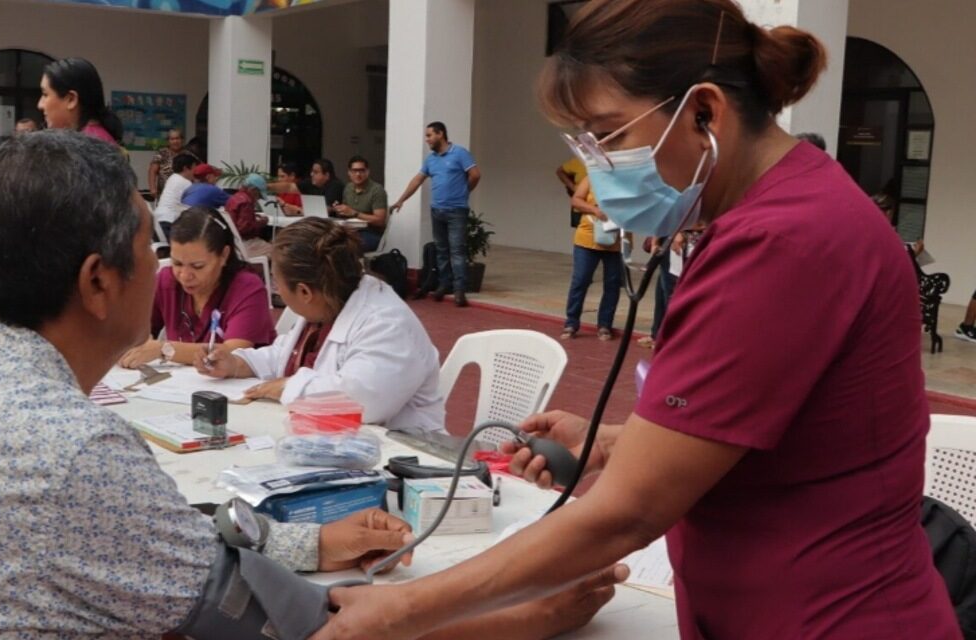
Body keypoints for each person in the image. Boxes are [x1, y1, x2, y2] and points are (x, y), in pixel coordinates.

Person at [312, 1, 960, 639]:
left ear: (704, 111)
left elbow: (628, 513)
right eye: (585, 143)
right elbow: (768, 426)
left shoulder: (784, 240)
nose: (599, 166)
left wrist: (400, 611)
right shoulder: (775, 213)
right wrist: (617, 441)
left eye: (612, 136)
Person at [0, 130, 417, 638]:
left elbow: (165, 538)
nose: (166, 271)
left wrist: (309, 541)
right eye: (150, 250)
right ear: (98, 281)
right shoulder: (67, 447)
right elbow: (259, 609)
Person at [196, 218, 444, 434]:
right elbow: (285, 356)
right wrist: (237, 364)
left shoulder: (387, 324)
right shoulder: (326, 303)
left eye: (276, 282)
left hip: (402, 452)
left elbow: (361, 401)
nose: (276, 289)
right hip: (332, 442)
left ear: (304, 291)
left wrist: (285, 386)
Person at [119, 207, 275, 368]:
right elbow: (133, 331)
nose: (185, 276)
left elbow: (232, 353)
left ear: (223, 255)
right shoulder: (167, 280)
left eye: (198, 266)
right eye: (177, 263)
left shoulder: (247, 288)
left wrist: (163, 349)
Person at [390, 122, 481, 307]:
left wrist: (464, 192)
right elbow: (418, 179)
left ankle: (459, 290)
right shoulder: (431, 160)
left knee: (457, 250)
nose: (427, 140)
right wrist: (401, 200)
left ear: (440, 134)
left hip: (456, 211)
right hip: (437, 210)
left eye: (429, 135)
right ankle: (444, 284)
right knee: (441, 250)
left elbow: (475, 175)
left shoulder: (460, 153)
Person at [557, 157, 622, 340]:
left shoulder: (624, 183)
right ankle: (571, 323)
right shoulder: (592, 177)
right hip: (586, 238)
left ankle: (605, 325)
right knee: (580, 281)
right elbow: (576, 200)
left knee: (612, 285)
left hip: (614, 240)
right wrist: (594, 210)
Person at [37, 57, 123, 145]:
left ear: (71, 99)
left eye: (45, 94)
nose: (40, 105)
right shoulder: (93, 139)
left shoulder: (89, 146)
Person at [333, 156, 388, 254]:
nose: (358, 174)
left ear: (368, 172)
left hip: (371, 233)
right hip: (350, 231)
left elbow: (380, 221)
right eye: (354, 171)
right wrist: (340, 209)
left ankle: (353, 268)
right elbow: (346, 214)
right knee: (325, 241)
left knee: (345, 247)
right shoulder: (348, 188)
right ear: (349, 173)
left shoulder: (377, 190)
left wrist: (354, 213)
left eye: (361, 171)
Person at [269, 158, 345, 216]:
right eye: (312, 171)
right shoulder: (310, 182)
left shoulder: (335, 185)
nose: (312, 174)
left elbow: (325, 210)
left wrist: (297, 210)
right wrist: (265, 187)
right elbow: (289, 187)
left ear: (327, 175)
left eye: (316, 172)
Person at [224, 173, 271, 257]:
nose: (258, 198)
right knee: (276, 252)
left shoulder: (234, 197)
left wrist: (253, 217)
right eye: (259, 195)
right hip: (244, 243)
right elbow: (244, 228)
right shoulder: (247, 202)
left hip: (233, 242)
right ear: (253, 189)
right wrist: (261, 222)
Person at [153, 153, 198, 238]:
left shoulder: (172, 178)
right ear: (185, 168)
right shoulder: (186, 183)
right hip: (170, 222)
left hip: (157, 222)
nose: (195, 172)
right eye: (194, 168)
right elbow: (194, 206)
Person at [148, 128, 185, 198]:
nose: (175, 141)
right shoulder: (162, 153)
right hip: (164, 194)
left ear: (182, 140)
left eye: (177, 138)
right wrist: (152, 188)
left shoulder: (187, 154)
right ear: (168, 141)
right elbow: (152, 171)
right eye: (172, 139)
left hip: (183, 194)